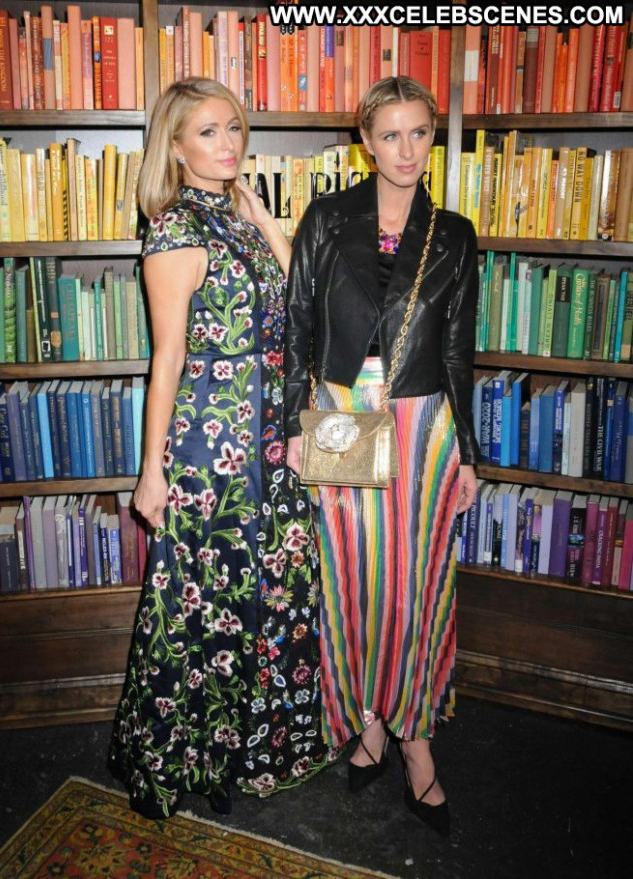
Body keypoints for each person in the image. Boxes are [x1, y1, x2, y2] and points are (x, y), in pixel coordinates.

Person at [108, 77, 334, 819]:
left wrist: (262, 216)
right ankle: (181, 758)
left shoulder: (236, 217)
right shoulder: (175, 230)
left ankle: (240, 753)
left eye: (234, 127)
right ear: (175, 147)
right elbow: (167, 358)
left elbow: (304, 292)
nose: (228, 142)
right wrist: (152, 472)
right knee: (203, 605)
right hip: (213, 450)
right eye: (208, 131)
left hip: (271, 440)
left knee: (266, 595)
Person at [284, 76, 479, 837]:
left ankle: (416, 739)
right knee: (352, 580)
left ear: (432, 136)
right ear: (365, 141)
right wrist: (293, 426)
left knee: (418, 586)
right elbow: (298, 326)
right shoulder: (328, 218)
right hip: (340, 413)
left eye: (419, 133)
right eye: (390, 134)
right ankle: (368, 719)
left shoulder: (454, 234)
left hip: (424, 424)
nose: (406, 150)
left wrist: (469, 454)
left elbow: (459, 351)